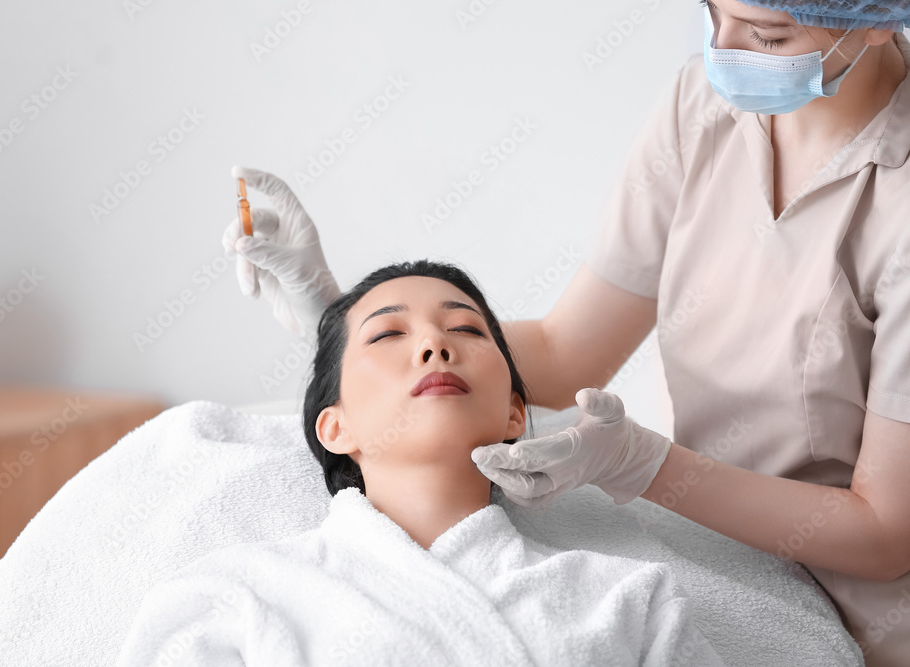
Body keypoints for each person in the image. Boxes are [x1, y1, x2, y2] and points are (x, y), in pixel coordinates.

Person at [222, 2, 910, 664]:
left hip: (856, 618)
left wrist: (645, 465)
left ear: (876, 22)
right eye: (710, 10)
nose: (721, 52)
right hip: (712, 551)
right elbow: (564, 351)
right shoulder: (700, 107)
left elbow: (886, 532)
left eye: (765, 37)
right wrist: (343, 324)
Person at [115, 260, 721, 666]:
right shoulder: (235, 595)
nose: (436, 344)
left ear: (516, 414)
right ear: (335, 426)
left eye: (467, 329)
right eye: (387, 336)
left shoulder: (626, 600)